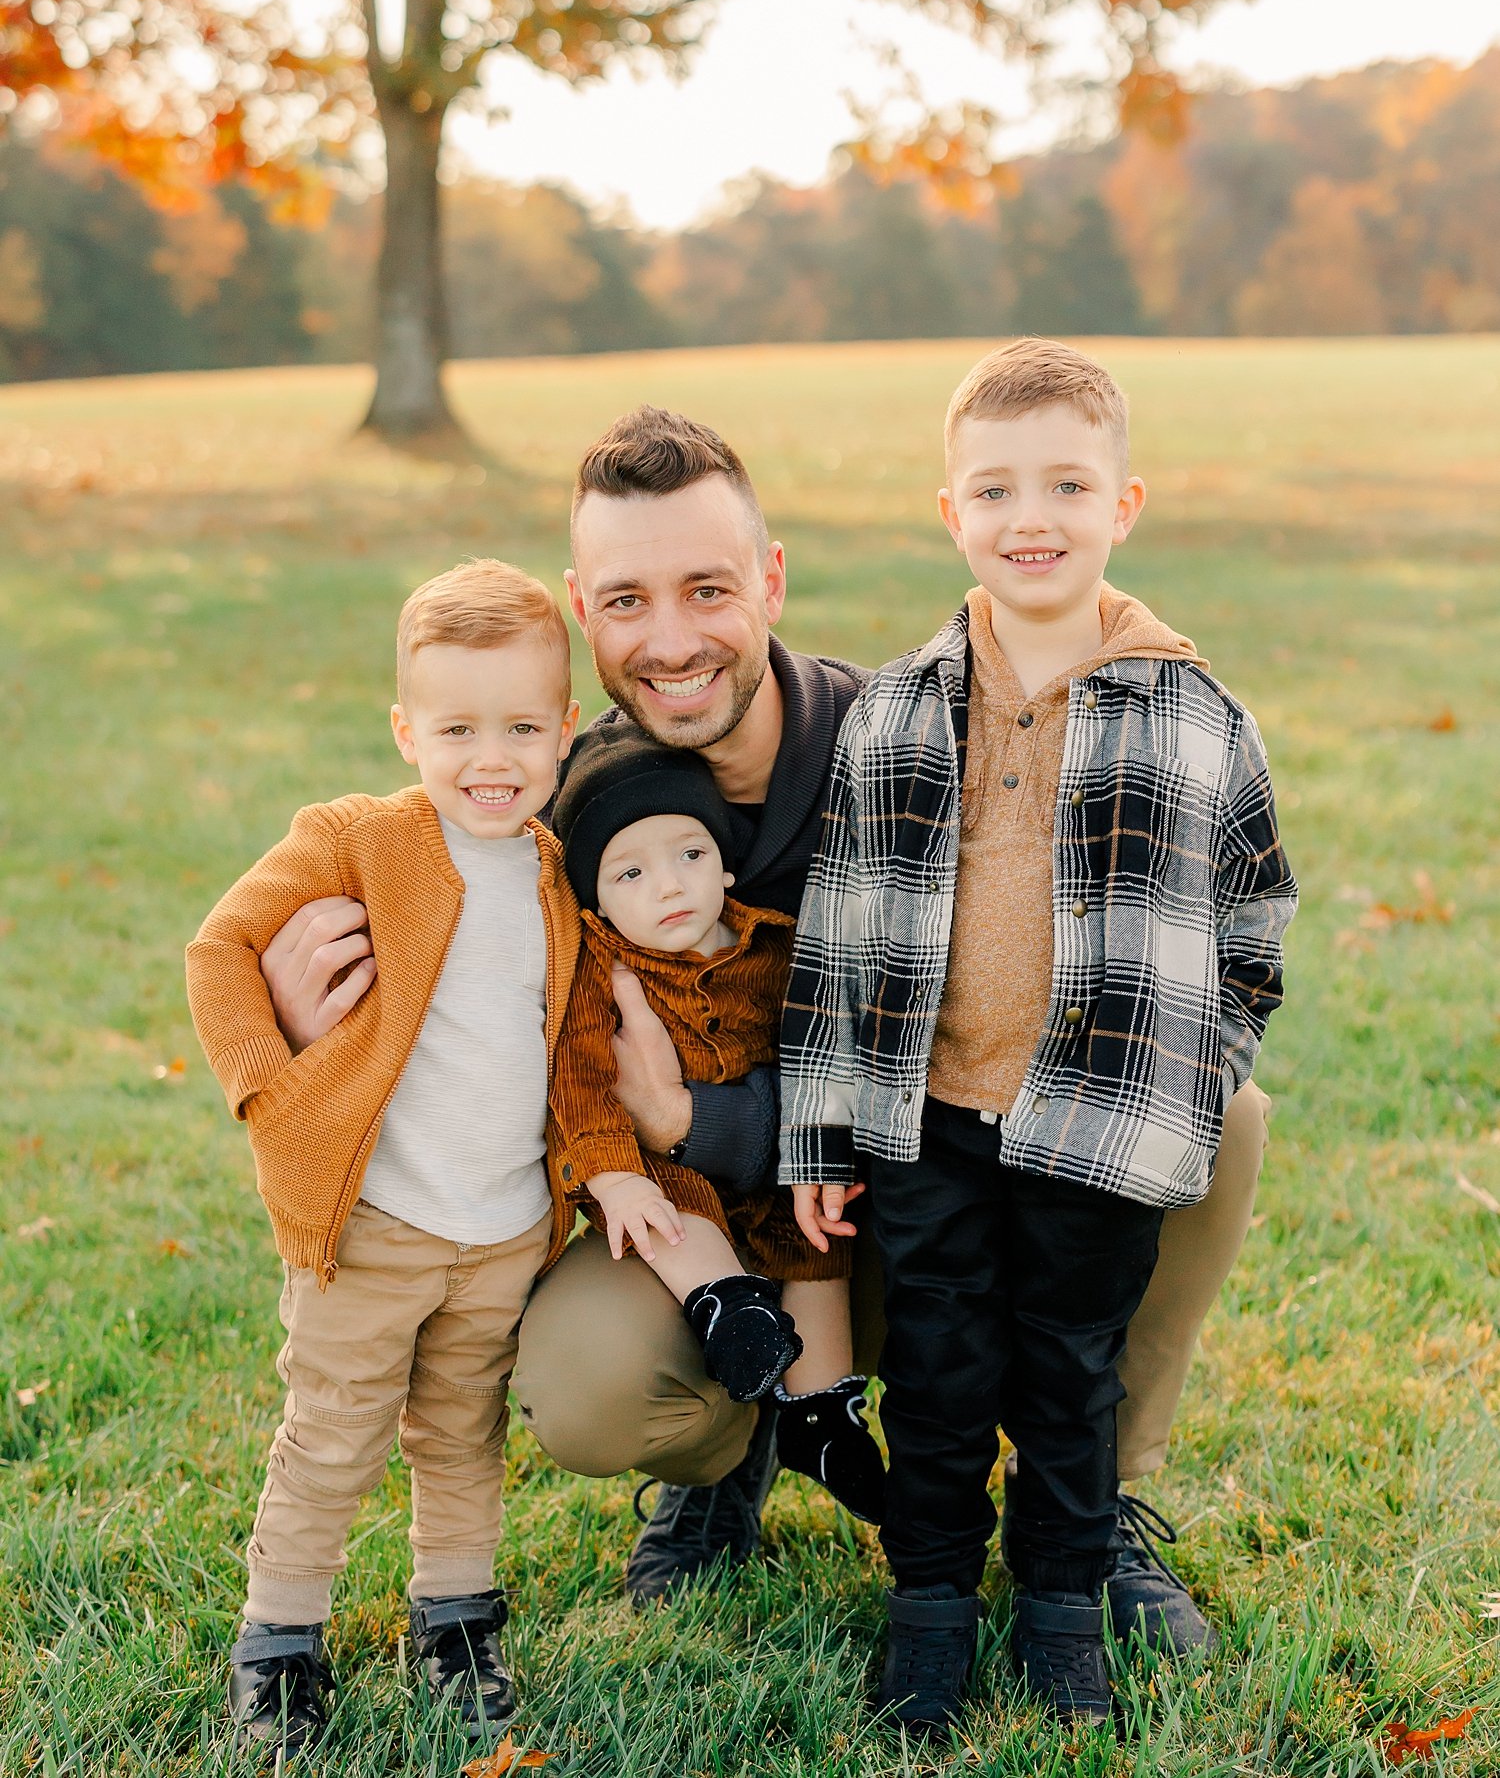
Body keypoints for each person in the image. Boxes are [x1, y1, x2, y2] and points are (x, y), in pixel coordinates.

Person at [256, 404, 1277, 1638]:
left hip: (948, 1185)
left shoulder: (900, 740)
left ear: (773, 580)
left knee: (1214, 1111)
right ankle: (726, 1454)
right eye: (628, 600)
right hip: (708, 1233)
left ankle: (1095, 1499)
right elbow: (463, 974)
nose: (673, 639)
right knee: (589, 1387)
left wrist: (703, 1115)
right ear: (585, 611)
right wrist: (323, 1024)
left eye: (708, 588)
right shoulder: (564, 816)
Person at [782, 339, 1298, 1733]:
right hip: (930, 1113)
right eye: (997, 486)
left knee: (1073, 1368)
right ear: (950, 511)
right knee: (943, 1370)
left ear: (1125, 502)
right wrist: (826, 1129)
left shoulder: (1195, 713)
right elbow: (837, 936)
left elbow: (1255, 923)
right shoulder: (896, 708)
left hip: (1100, 1116)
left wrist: (1186, 1081)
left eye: (1069, 482)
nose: (1034, 515)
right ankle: (931, 1606)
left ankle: (1064, 1604)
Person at [185, 561, 581, 1755]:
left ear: (566, 729)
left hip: (502, 1228)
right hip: (375, 1225)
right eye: (457, 729)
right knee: (333, 1436)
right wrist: (273, 1085)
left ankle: (455, 1622)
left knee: (462, 1433)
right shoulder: (359, 840)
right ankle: (280, 1641)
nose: (490, 757)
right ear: (407, 730)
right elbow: (221, 951)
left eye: (521, 726)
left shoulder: (559, 872)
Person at [548, 731, 884, 1520]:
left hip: (782, 1175)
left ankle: (822, 1418)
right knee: (672, 1207)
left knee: (817, 1246)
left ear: (726, 865)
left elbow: (825, 1046)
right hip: (661, 1178)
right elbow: (580, 1077)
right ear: (595, 900)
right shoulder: (602, 967)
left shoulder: (777, 944)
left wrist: (819, 1147)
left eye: (690, 856)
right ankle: (726, 1306)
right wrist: (616, 1175)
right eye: (632, 872)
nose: (669, 886)